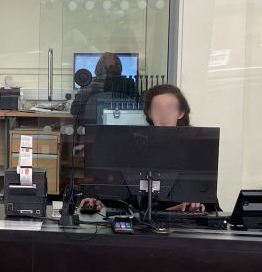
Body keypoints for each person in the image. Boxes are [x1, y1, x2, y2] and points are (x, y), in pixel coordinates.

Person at [78, 83, 205, 214]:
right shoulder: (137, 143)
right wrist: (96, 198)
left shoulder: (196, 146)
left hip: (182, 220)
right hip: (144, 219)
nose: (164, 114)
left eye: (170, 108)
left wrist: (193, 204)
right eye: (157, 108)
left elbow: (204, 194)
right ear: (149, 113)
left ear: (181, 112)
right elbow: (120, 190)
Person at [70, 53, 140, 123]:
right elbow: (139, 109)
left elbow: (75, 111)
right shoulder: (129, 84)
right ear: (120, 68)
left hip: (94, 127)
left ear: (99, 68)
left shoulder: (90, 84)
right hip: (124, 126)